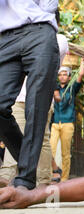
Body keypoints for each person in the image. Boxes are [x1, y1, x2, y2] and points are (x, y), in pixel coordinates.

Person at [0, 0, 61, 191]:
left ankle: (25, 178)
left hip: (40, 35)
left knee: (37, 108)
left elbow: (50, 6)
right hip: (5, 40)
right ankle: (28, 160)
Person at [0, 33, 69, 188]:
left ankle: (42, 180)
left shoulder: (59, 40)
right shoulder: (16, 35)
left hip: (42, 96)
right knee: (12, 134)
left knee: (42, 139)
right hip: (16, 98)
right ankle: (8, 177)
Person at [50, 59, 84, 182]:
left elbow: (80, 74)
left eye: (65, 74)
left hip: (67, 123)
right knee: (50, 149)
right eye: (60, 74)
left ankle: (64, 179)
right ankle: (52, 174)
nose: (62, 77)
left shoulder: (72, 88)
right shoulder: (53, 88)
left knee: (65, 153)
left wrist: (82, 63)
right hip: (55, 123)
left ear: (69, 76)